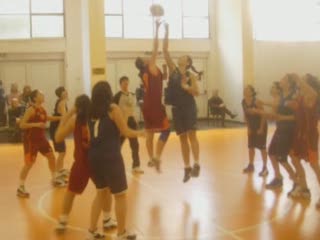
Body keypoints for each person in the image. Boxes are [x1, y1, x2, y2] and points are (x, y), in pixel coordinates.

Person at [87, 81, 144, 240]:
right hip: (110, 156)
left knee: (100, 193)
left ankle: (91, 231)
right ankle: (121, 233)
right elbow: (124, 131)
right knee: (120, 195)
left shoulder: (91, 112)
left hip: (94, 156)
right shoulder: (113, 109)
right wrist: (140, 132)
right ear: (108, 93)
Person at [55, 95, 117, 232]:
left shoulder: (74, 120)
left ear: (77, 107)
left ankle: (63, 220)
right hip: (97, 160)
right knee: (105, 191)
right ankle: (107, 219)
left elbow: (58, 137)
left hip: (81, 162)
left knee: (70, 192)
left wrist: (67, 115)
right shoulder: (97, 120)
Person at [163, 23, 202, 183]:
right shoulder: (173, 70)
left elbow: (197, 92)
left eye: (184, 57)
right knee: (182, 139)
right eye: (181, 56)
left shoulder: (190, 76)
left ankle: (197, 164)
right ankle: (187, 167)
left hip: (189, 107)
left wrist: (186, 87)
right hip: (177, 109)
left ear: (187, 62)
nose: (181, 57)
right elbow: (165, 52)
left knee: (192, 135)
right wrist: (166, 31)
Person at [135, 20, 170, 173]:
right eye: (145, 57)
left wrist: (164, 70)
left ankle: (151, 158)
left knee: (149, 133)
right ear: (143, 62)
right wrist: (157, 29)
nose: (148, 56)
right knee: (166, 130)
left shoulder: (148, 70)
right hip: (154, 105)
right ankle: (156, 155)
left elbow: (162, 80)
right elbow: (155, 47)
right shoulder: (149, 67)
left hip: (148, 105)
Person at [17, 90, 67, 198]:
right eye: (40, 94)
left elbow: (47, 118)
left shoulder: (42, 109)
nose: (43, 95)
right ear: (35, 98)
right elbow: (22, 125)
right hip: (31, 141)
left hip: (41, 139)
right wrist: (36, 124)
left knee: (51, 157)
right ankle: (20, 187)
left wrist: (60, 118)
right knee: (29, 163)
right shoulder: (31, 110)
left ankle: (54, 179)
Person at [288, 74, 320, 208]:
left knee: (313, 164)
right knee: (294, 157)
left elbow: (312, 93)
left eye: (304, 80)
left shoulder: (313, 96)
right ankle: (304, 188)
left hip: (310, 134)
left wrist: (298, 78)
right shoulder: (301, 96)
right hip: (299, 133)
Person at [263, 74, 297, 189]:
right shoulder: (282, 96)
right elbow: (276, 112)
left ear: (288, 83)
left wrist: (280, 117)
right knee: (272, 152)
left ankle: (296, 182)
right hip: (280, 128)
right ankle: (278, 177)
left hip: (287, 130)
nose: (280, 80)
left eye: (283, 79)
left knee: (282, 158)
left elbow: (295, 116)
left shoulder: (293, 96)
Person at [114, 76, 143, 174]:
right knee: (117, 145)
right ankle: (114, 165)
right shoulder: (117, 96)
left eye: (127, 83)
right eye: (124, 83)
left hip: (131, 122)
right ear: (120, 84)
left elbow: (133, 110)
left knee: (135, 144)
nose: (126, 85)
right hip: (121, 122)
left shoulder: (133, 95)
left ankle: (136, 165)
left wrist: (135, 121)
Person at [242, 85, 268, 176]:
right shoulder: (243, 101)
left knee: (262, 147)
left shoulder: (256, 101)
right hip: (252, 126)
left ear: (252, 92)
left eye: (247, 90)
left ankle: (265, 167)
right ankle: (251, 165)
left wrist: (261, 128)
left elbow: (264, 115)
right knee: (251, 146)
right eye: (244, 89)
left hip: (260, 125)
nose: (245, 91)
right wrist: (248, 128)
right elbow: (246, 115)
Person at [49, 86, 69, 179]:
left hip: (58, 127)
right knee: (62, 151)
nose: (66, 92)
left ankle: (60, 170)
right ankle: (56, 173)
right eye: (64, 91)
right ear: (61, 94)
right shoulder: (61, 102)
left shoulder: (63, 102)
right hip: (56, 128)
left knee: (63, 151)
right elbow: (65, 116)